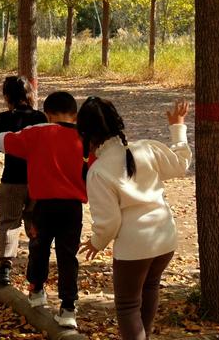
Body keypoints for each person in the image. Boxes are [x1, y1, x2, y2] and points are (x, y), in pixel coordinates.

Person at [0, 91, 87, 329]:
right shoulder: (85, 137)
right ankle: (68, 307)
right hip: (73, 208)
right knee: (68, 256)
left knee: (39, 247)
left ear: (47, 114)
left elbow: (2, 140)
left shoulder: (36, 133)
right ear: (75, 116)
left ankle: (37, 292)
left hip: (44, 205)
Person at [77, 98, 191, 340]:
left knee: (128, 306)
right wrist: (178, 127)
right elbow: (181, 165)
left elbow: (109, 222)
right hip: (165, 238)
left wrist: (97, 242)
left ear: (85, 132)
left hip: (134, 247)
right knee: (149, 288)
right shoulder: (146, 147)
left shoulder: (98, 171)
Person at [0, 76, 46, 285]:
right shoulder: (41, 117)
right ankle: (37, 263)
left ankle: (4, 267)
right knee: (36, 222)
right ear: (29, 94)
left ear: (6, 97)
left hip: (12, 179)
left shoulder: (4, 118)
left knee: (8, 222)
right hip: (38, 181)